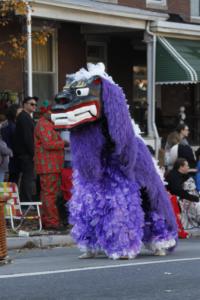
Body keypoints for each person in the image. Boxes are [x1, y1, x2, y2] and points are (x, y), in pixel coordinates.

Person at [34, 105, 65, 230]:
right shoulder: (44, 124)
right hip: (48, 166)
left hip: (50, 166)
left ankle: (47, 221)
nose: (54, 114)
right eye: (52, 111)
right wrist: (64, 143)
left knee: (48, 193)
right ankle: (52, 222)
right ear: (46, 112)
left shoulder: (46, 123)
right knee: (49, 194)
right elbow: (48, 144)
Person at [166, 158, 200, 229]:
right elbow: (178, 191)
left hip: (187, 197)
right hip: (180, 199)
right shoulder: (173, 176)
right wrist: (194, 198)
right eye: (187, 166)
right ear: (181, 167)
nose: (188, 167)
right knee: (198, 205)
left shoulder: (182, 174)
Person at [14, 96, 37, 202]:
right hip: (25, 154)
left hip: (24, 153)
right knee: (27, 178)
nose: (34, 106)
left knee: (26, 179)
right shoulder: (24, 117)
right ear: (25, 105)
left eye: (35, 104)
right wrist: (33, 154)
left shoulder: (25, 117)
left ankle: (25, 202)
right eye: (32, 104)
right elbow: (27, 137)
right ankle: (26, 202)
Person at [1, 104, 22, 183]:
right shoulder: (13, 126)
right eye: (20, 111)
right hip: (11, 155)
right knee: (13, 179)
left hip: (7, 155)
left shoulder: (5, 124)